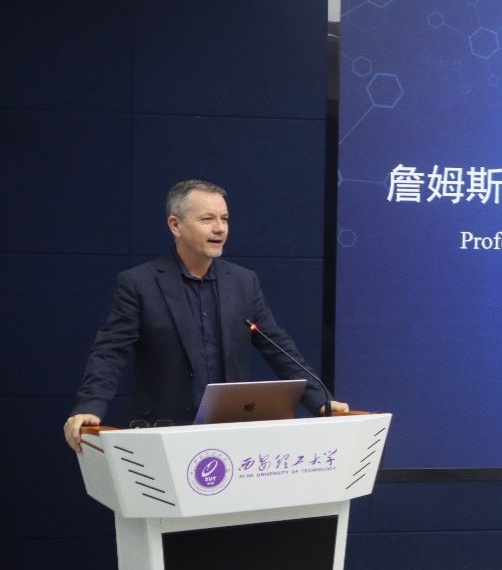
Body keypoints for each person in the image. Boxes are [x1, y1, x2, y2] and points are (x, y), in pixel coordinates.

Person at [63, 180, 348, 452]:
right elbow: (110, 352)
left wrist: (320, 400)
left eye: (225, 219)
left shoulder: (243, 282)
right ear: (175, 225)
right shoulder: (140, 284)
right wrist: (90, 406)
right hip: (161, 433)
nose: (220, 228)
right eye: (207, 219)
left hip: (228, 433)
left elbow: (278, 347)